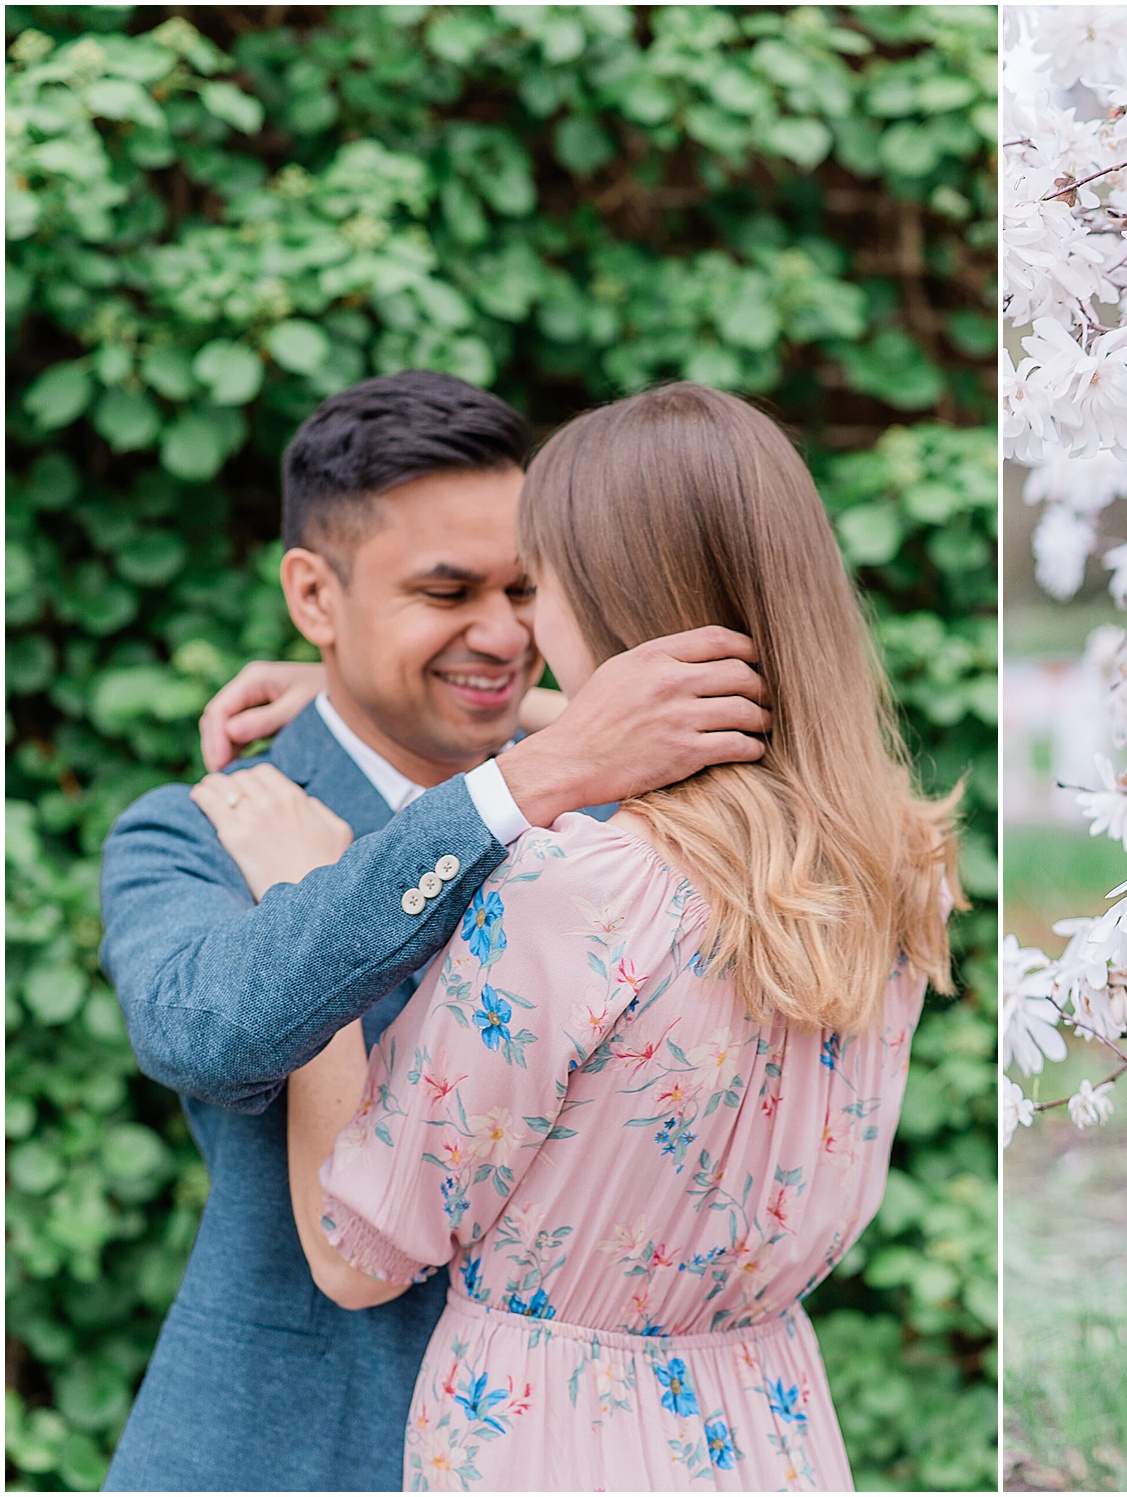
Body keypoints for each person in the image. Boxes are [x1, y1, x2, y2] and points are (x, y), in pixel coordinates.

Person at [194, 383, 964, 1491]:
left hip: (545, 1440)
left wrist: (304, 891)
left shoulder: (578, 893)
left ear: (600, 599)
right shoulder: (893, 862)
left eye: (534, 586)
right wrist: (339, 689)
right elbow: (740, 745)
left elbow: (354, 1256)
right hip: (766, 1428)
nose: (514, 629)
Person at [98, 371, 772, 1492]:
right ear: (314, 597)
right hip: (292, 1446)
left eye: (523, 588)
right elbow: (205, 1030)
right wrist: (527, 772)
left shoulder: (627, 812)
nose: (502, 635)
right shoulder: (203, 826)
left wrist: (543, 734)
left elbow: (832, 774)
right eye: (446, 591)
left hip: (581, 1448)